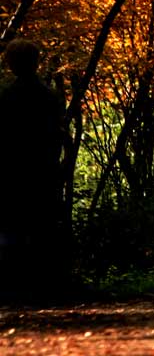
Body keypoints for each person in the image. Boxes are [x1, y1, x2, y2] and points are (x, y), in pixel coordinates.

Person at [0, 39, 64, 300]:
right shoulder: (49, 96)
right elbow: (56, 136)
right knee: (42, 228)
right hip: (43, 171)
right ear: (37, 62)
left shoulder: (6, 97)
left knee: (12, 228)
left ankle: (13, 287)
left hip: (12, 173)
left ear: (11, 63)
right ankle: (44, 286)